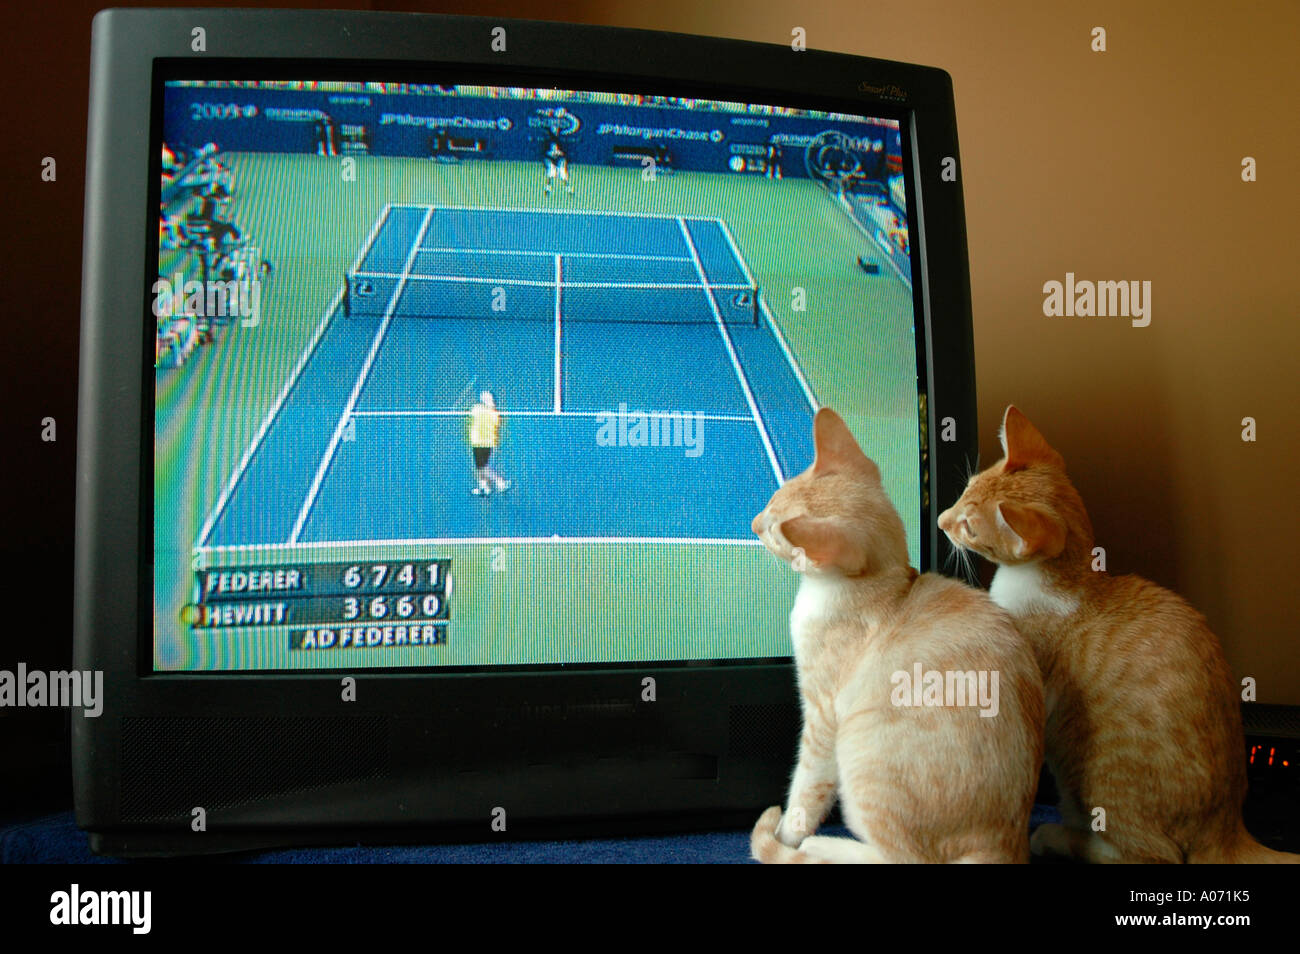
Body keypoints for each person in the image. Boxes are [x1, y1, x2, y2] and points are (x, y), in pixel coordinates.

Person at [469, 391, 510, 496]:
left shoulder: (476, 409)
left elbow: (472, 415)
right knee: (481, 467)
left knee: (481, 468)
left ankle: (499, 482)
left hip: (478, 443)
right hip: (489, 443)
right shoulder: (495, 414)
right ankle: (484, 488)